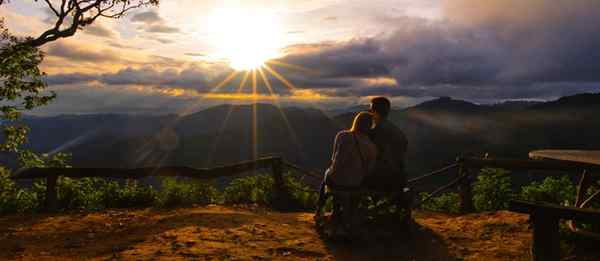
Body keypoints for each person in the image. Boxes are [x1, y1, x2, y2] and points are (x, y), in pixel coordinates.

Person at [314, 112, 377, 218]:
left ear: (356, 122)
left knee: (327, 176)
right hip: (355, 184)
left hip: (337, 181)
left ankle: (319, 209)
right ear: (370, 126)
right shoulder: (372, 146)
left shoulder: (343, 135)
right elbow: (369, 169)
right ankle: (345, 214)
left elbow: (334, 159)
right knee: (340, 180)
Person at [363, 96, 409, 192]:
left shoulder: (371, 134)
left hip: (377, 179)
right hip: (397, 179)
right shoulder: (399, 133)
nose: (369, 113)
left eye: (370, 110)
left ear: (375, 112)